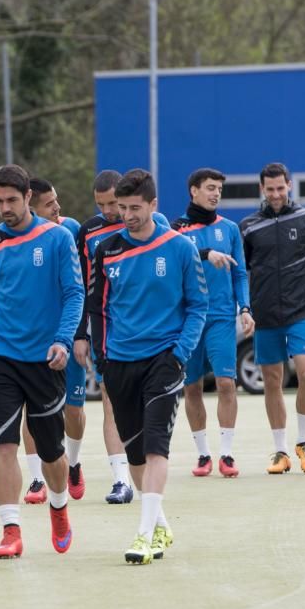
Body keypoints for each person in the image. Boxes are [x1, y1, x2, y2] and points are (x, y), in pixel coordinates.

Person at [89, 168, 208, 565]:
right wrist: (101, 357)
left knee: (157, 446)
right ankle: (158, 523)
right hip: (120, 362)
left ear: (154, 205)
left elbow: (197, 306)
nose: (127, 215)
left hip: (165, 359)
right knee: (135, 455)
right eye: (122, 208)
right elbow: (99, 309)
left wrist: (180, 353)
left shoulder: (180, 248)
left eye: (135, 208)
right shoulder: (106, 250)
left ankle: (142, 534)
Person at [0, 164, 84, 559]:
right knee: (4, 445)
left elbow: (74, 294)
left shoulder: (56, 238)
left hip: (46, 359)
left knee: (52, 452)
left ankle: (58, 507)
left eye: (11, 200)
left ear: (28, 198)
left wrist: (62, 341)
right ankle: (10, 530)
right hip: (2, 357)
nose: (4, 207)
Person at [73, 170, 173, 504]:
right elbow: (84, 286)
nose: (110, 212)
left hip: (150, 335)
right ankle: (121, 480)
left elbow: (173, 261)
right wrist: (81, 333)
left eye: (113, 203)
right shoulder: (88, 232)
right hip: (108, 332)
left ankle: (149, 475)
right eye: (101, 205)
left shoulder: (154, 223)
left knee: (149, 410)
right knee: (111, 403)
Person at [240, 162, 305, 475]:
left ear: (289, 186)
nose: (275, 194)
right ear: (262, 189)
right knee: (272, 380)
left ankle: (304, 441)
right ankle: (281, 450)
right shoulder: (248, 226)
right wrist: (244, 308)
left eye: (280, 188)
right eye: (270, 189)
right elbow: (240, 273)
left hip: (302, 312)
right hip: (265, 315)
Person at [172, 168, 254, 478]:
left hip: (221, 316)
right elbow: (180, 255)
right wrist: (207, 254)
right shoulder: (175, 228)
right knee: (191, 387)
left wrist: (244, 307)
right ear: (193, 190)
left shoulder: (231, 229)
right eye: (209, 187)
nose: (215, 193)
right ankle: (203, 454)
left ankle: (227, 455)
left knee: (225, 383)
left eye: (218, 188)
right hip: (188, 319)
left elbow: (240, 273)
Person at [20, 177, 88, 504]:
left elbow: (79, 288)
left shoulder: (70, 229)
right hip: (31, 342)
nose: (57, 208)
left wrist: (79, 335)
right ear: (31, 209)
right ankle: (36, 479)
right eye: (49, 204)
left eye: (56, 200)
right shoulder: (14, 240)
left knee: (73, 409)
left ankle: (72, 463)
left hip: (67, 335)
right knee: (30, 413)